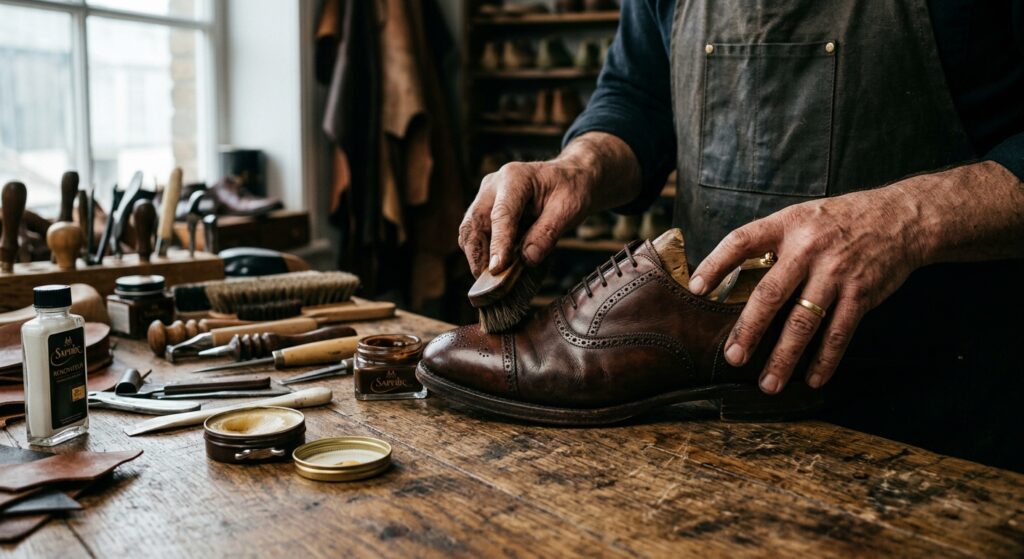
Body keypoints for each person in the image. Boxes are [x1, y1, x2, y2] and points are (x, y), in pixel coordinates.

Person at [456, 1, 1024, 469]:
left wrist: (907, 218)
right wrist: (579, 165)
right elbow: (638, 96)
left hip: (944, 416)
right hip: (715, 394)